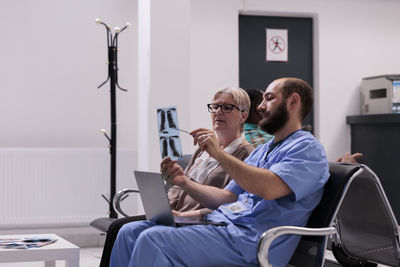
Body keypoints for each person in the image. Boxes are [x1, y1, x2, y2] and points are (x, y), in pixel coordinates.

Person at [110, 77, 329, 267]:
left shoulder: (307, 149)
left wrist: (219, 154)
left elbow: (269, 189)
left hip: (252, 241)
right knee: (128, 232)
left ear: (293, 101)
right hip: (223, 226)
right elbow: (227, 197)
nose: (260, 106)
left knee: (153, 239)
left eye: (269, 98)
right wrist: (184, 182)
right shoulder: (264, 150)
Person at [99, 87, 254, 267]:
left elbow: (233, 204)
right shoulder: (201, 150)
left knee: (145, 236)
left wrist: (184, 215)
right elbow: (179, 186)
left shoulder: (247, 155)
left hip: (202, 223)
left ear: (243, 116)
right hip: (178, 218)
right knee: (126, 230)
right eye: (214, 107)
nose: (218, 112)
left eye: (226, 107)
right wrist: (164, 208)